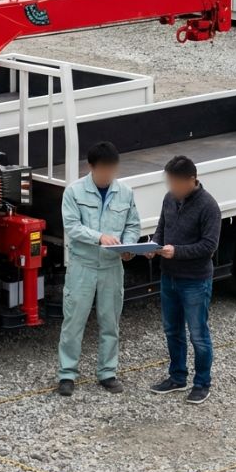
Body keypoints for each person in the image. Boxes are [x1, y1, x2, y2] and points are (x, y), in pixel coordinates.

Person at [56, 141, 141, 397]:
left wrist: (129, 246)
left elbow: (133, 225)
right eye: (103, 169)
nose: (108, 175)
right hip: (82, 266)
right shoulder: (74, 192)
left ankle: (107, 373)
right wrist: (100, 237)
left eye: (111, 169)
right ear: (91, 167)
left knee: (110, 321)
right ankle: (67, 374)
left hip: (112, 267)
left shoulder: (125, 192)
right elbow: (71, 227)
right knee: (73, 322)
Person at [147, 155, 221, 404]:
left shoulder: (209, 206)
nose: (172, 188)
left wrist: (177, 251)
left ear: (192, 180)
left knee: (198, 334)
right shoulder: (169, 199)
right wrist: (153, 245)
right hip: (169, 277)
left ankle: (202, 383)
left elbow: (209, 246)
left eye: (176, 183)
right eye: (169, 182)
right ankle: (177, 377)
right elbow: (162, 227)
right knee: (172, 330)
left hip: (195, 281)